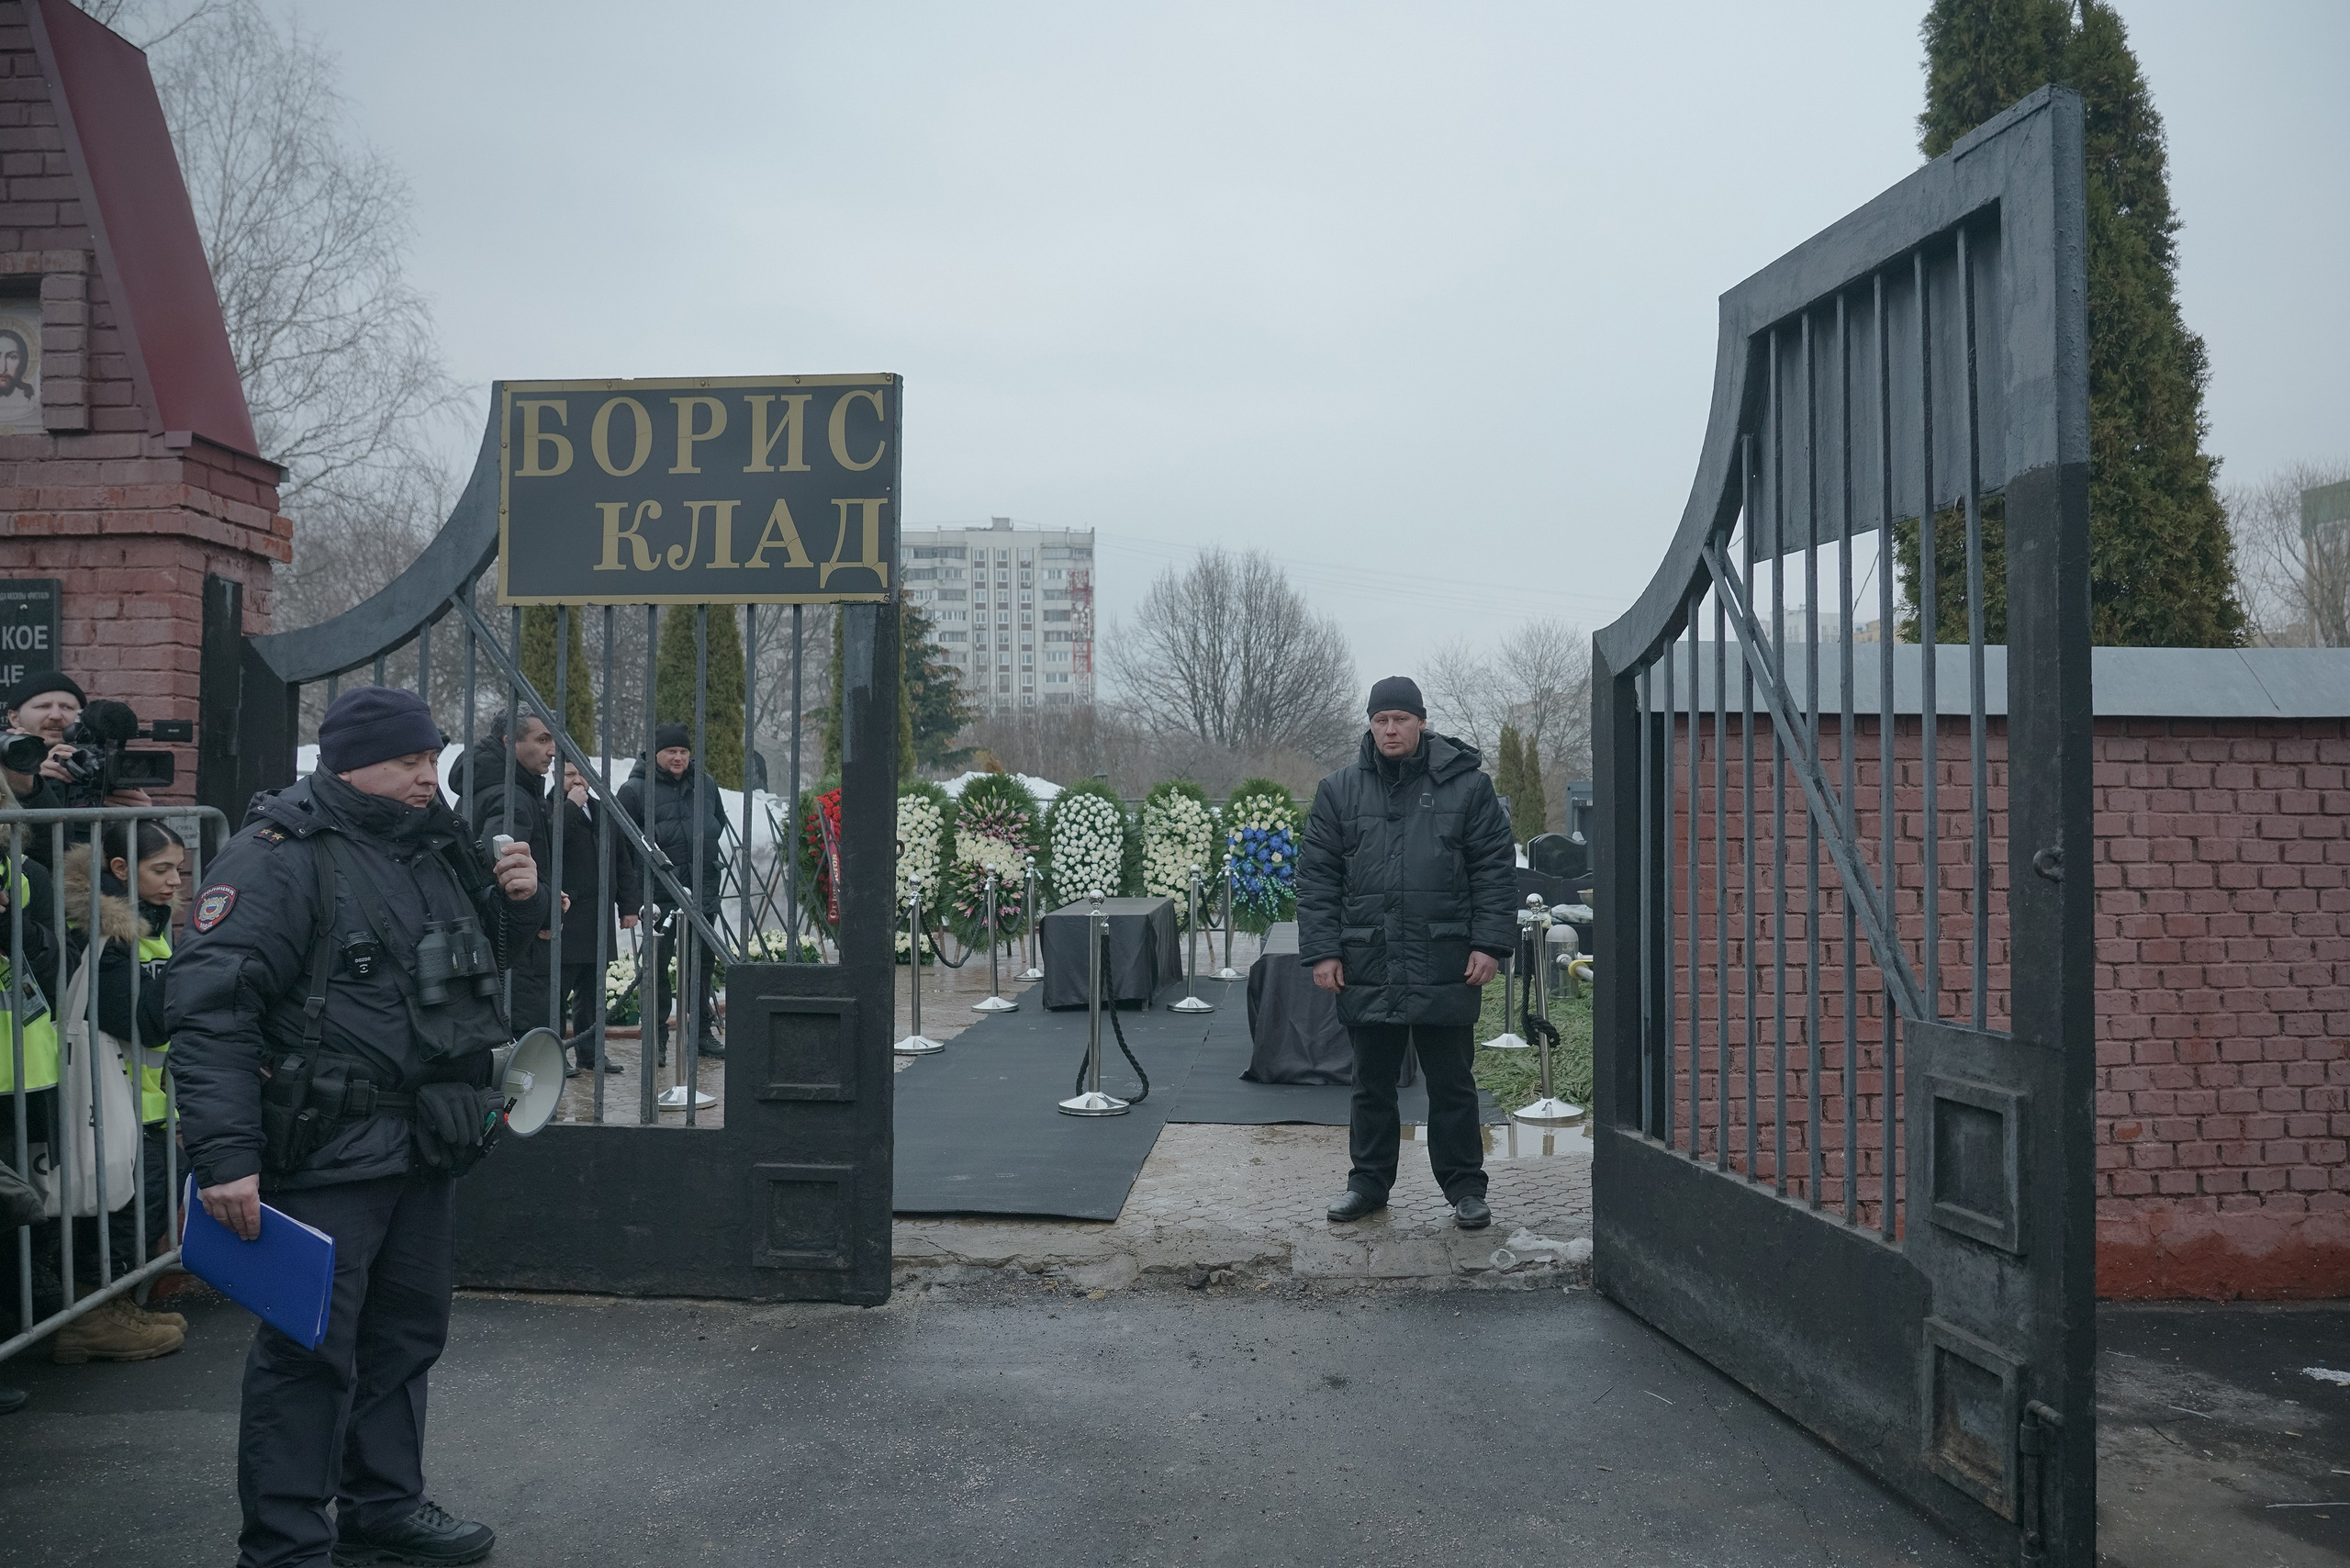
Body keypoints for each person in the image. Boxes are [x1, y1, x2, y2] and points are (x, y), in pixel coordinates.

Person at [169, 686, 543, 1568]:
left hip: (424, 1137)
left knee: (406, 1335)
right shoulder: (278, 858)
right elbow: (213, 1010)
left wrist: (517, 906)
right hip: (326, 1145)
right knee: (309, 1351)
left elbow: (468, 968)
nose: (426, 776)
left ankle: (383, 1507)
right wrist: (226, 1157)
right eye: (407, 761)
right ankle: (286, 1545)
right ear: (347, 766)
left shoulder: (432, 843)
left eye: (431, 759)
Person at [1295, 676, 1516, 1231]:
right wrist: (1323, 952)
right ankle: (1367, 1184)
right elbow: (1317, 878)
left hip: (1445, 960)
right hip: (1367, 960)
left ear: (1421, 721)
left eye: (1400, 719)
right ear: (1370, 725)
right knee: (1371, 1084)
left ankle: (1465, 1188)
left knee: (1452, 1084)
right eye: (1380, 720)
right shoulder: (1339, 791)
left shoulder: (1468, 788)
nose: (1390, 729)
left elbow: (1493, 872)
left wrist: (1489, 944)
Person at [47, 817, 191, 1366]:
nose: (175, 881)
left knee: (146, 1203)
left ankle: (115, 1305)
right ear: (120, 869)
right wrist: (194, 972)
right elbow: (139, 1021)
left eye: (179, 869)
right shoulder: (103, 930)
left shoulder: (148, 922)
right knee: (117, 1212)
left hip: (142, 1101)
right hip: (109, 1102)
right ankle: (88, 1319)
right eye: (162, 869)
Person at [616, 724, 727, 1062]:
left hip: (701, 890)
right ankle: (657, 1040)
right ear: (655, 754)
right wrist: (633, 896)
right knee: (656, 969)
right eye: (670, 752)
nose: (678, 758)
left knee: (701, 965)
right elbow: (623, 848)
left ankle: (701, 1034)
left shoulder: (705, 784)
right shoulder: (634, 790)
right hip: (658, 896)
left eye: (683, 751)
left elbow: (718, 821)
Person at [455, 711, 560, 1060]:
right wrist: (538, 900)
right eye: (542, 739)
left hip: (498, 936)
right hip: (517, 943)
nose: (552, 750)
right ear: (508, 743)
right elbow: (496, 867)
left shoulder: (489, 785)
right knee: (525, 1054)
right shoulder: (511, 796)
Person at [551, 761, 635, 1072]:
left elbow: (622, 861)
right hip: (566, 916)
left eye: (582, 774)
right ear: (555, 775)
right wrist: (571, 807)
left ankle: (591, 1053)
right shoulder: (549, 808)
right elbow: (551, 841)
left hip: (599, 918)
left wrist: (628, 906)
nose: (578, 780)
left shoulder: (603, 811)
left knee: (592, 993)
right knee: (556, 993)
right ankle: (554, 1056)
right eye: (570, 774)